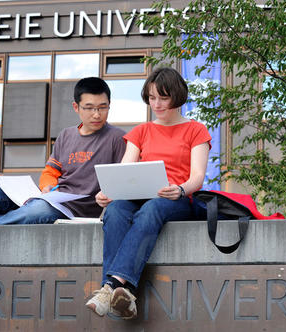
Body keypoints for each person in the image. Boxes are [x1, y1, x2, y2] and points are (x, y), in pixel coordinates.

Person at [86, 67, 211, 319]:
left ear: (177, 96)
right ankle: (124, 293)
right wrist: (107, 192)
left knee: (152, 208)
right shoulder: (141, 132)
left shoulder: (196, 130)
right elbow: (125, 170)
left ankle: (110, 286)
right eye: (152, 98)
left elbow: (197, 176)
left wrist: (179, 189)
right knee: (117, 209)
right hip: (141, 197)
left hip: (176, 198)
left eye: (163, 98)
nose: (157, 104)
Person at [0, 77, 126, 225]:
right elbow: (50, 172)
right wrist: (47, 187)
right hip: (49, 198)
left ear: (109, 105)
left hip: (73, 212)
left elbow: (121, 179)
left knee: (39, 210)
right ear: (76, 107)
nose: (97, 114)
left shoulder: (117, 138)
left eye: (102, 107)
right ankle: (8, 218)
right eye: (89, 108)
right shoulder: (66, 135)